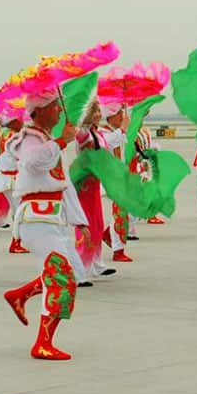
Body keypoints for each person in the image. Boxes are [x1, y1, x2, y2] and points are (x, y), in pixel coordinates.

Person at [2, 93, 89, 360]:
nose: (58, 112)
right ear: (39, 111)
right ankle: (42, 343)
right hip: (37, 219)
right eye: (53, 107)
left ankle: (20, 295)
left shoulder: (44, 139)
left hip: (52, 217)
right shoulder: (29, 138)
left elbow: (64, 185)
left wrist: (79, 220)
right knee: (60, 277)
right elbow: (33, 162)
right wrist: (63, 140)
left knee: (69, 273)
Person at [73, 101, 117, 278]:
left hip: (94, 185)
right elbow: (83, 130)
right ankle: (80, 268)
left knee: (98, 224)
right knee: (85, 225)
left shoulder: (99, 134)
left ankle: (96, 263)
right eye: (95, 111)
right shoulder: (84, 134)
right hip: (84, 185)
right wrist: (89, 112)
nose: (98, 114)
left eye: (99, 111)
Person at [97, 103, 133, 262]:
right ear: (109, 116)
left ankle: (109, 236)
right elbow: (110, 142)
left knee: (125, 214)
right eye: (118, 114)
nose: (121, 117)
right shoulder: (103, 133)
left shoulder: (114, 132)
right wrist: (123, 129)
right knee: (120, 213)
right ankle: (118, 250)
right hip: (108, 180)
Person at [0, 115, 29, 253]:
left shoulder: (8, 133)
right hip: (12, 179)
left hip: (10, 178)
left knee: (17, 210)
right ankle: (16, 242)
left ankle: (19, 240)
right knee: (19, 211)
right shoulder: (14, 137)